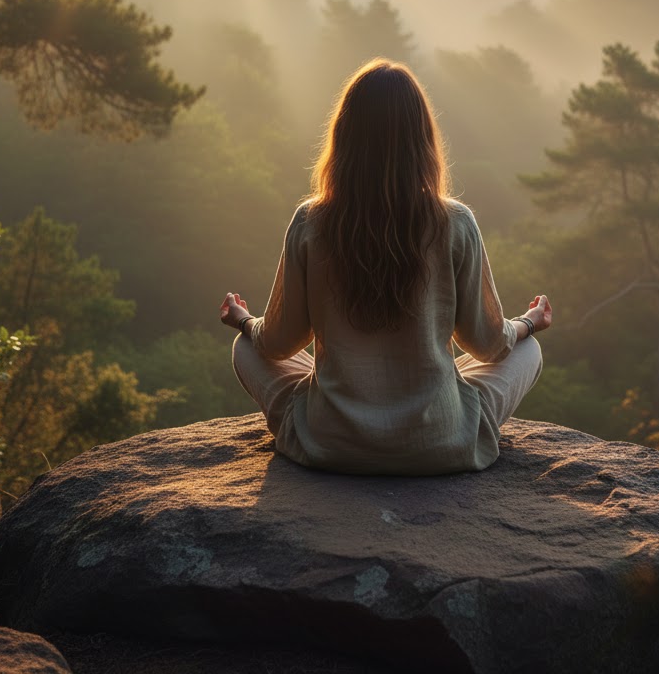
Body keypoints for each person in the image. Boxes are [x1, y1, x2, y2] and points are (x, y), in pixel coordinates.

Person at [220, 58, 550, 475]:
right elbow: (488, 344)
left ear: (343, 136)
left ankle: (325, 426)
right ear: (422, 140)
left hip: (332, 442)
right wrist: (528, 323)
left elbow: (278, 343)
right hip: (440, 442)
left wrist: (245, 321)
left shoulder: (311, 222)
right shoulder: (455, 223)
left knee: (245, 348)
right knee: (527, 351)